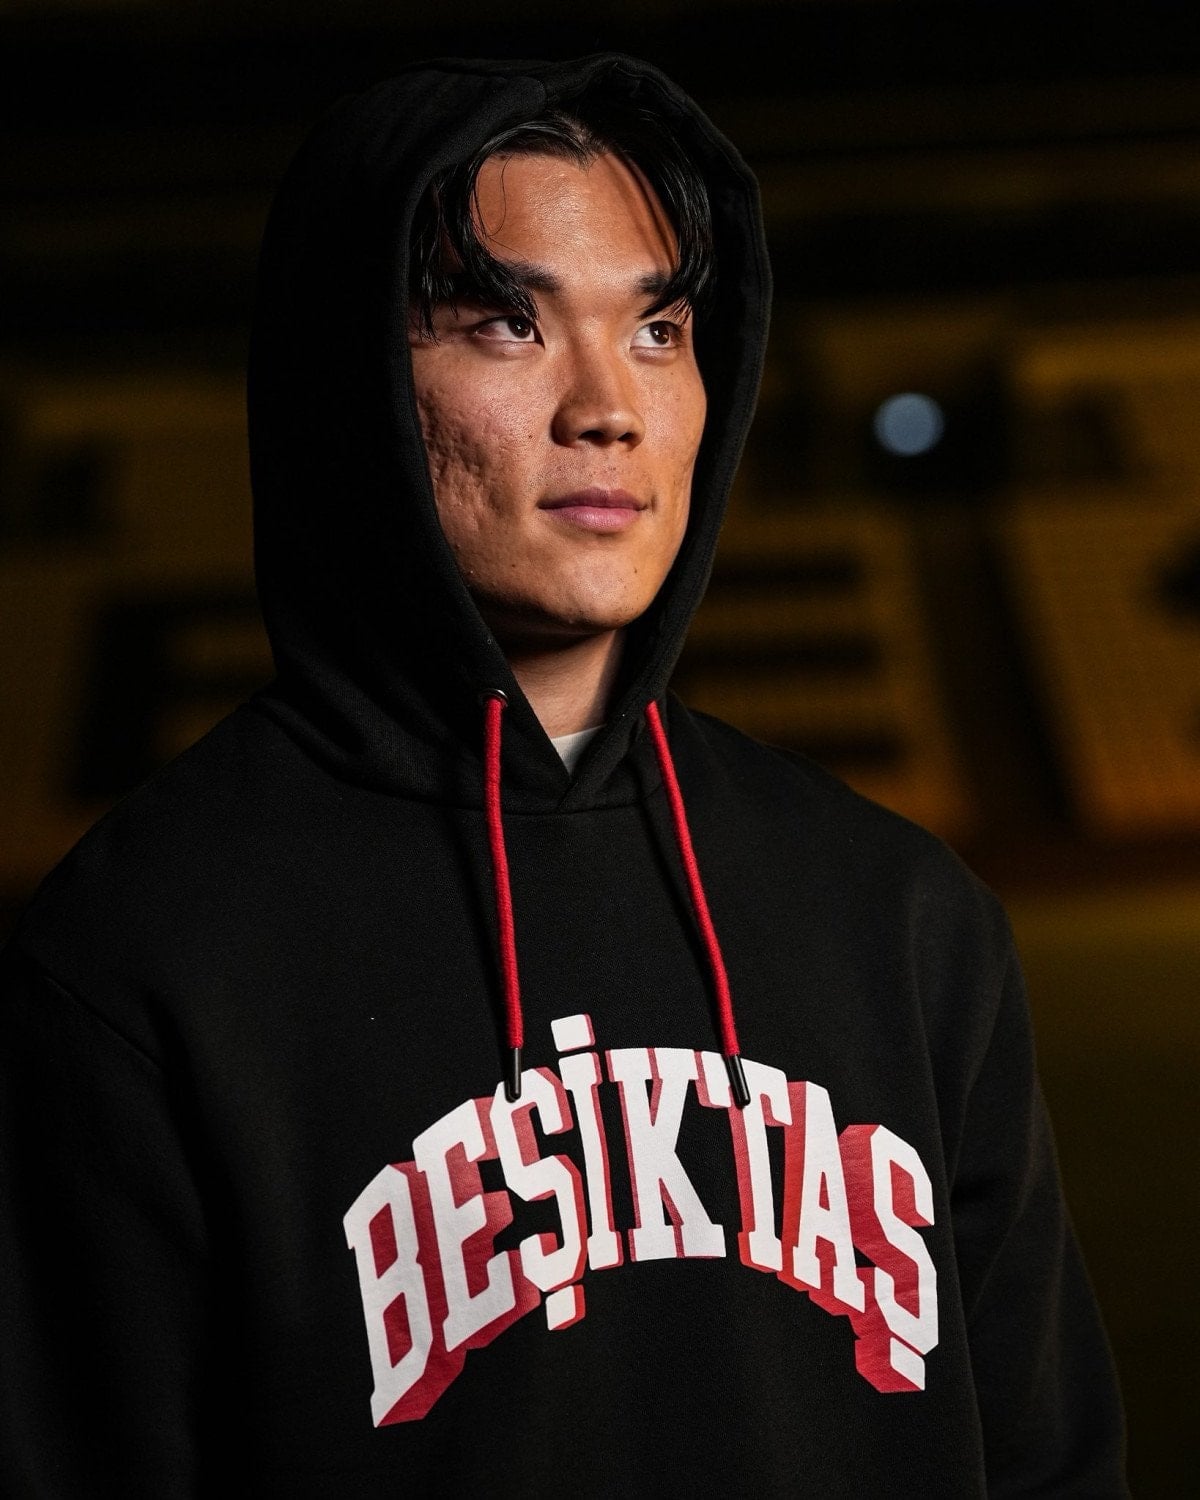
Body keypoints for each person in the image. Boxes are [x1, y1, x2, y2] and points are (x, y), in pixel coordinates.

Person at [0, 54, 1127, 1496]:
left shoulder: (904, 919)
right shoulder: (141, 959)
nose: (608, 408)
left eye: (658, 328)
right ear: (351, 379)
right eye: (505, 323)